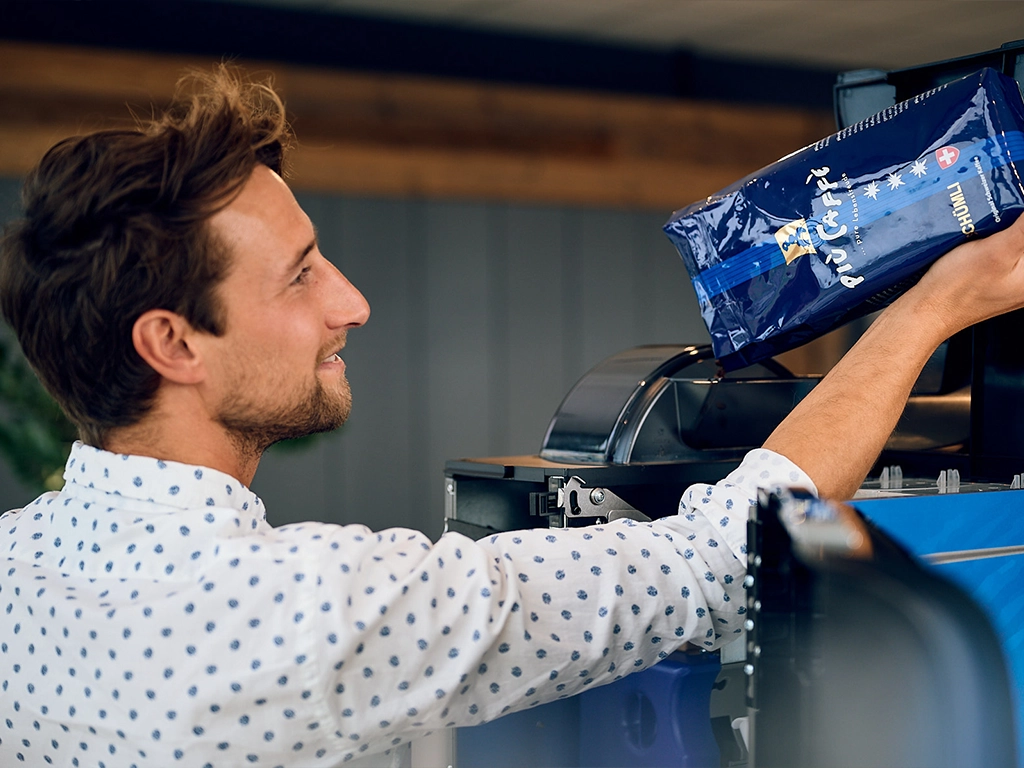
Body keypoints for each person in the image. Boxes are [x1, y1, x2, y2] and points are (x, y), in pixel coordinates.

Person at [0, 66, 1022, 768]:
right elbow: (725, 556)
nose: (349, 303)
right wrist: (937, 303)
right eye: (301, 276)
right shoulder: (305, 609)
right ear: (172, 344)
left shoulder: (14, 571)